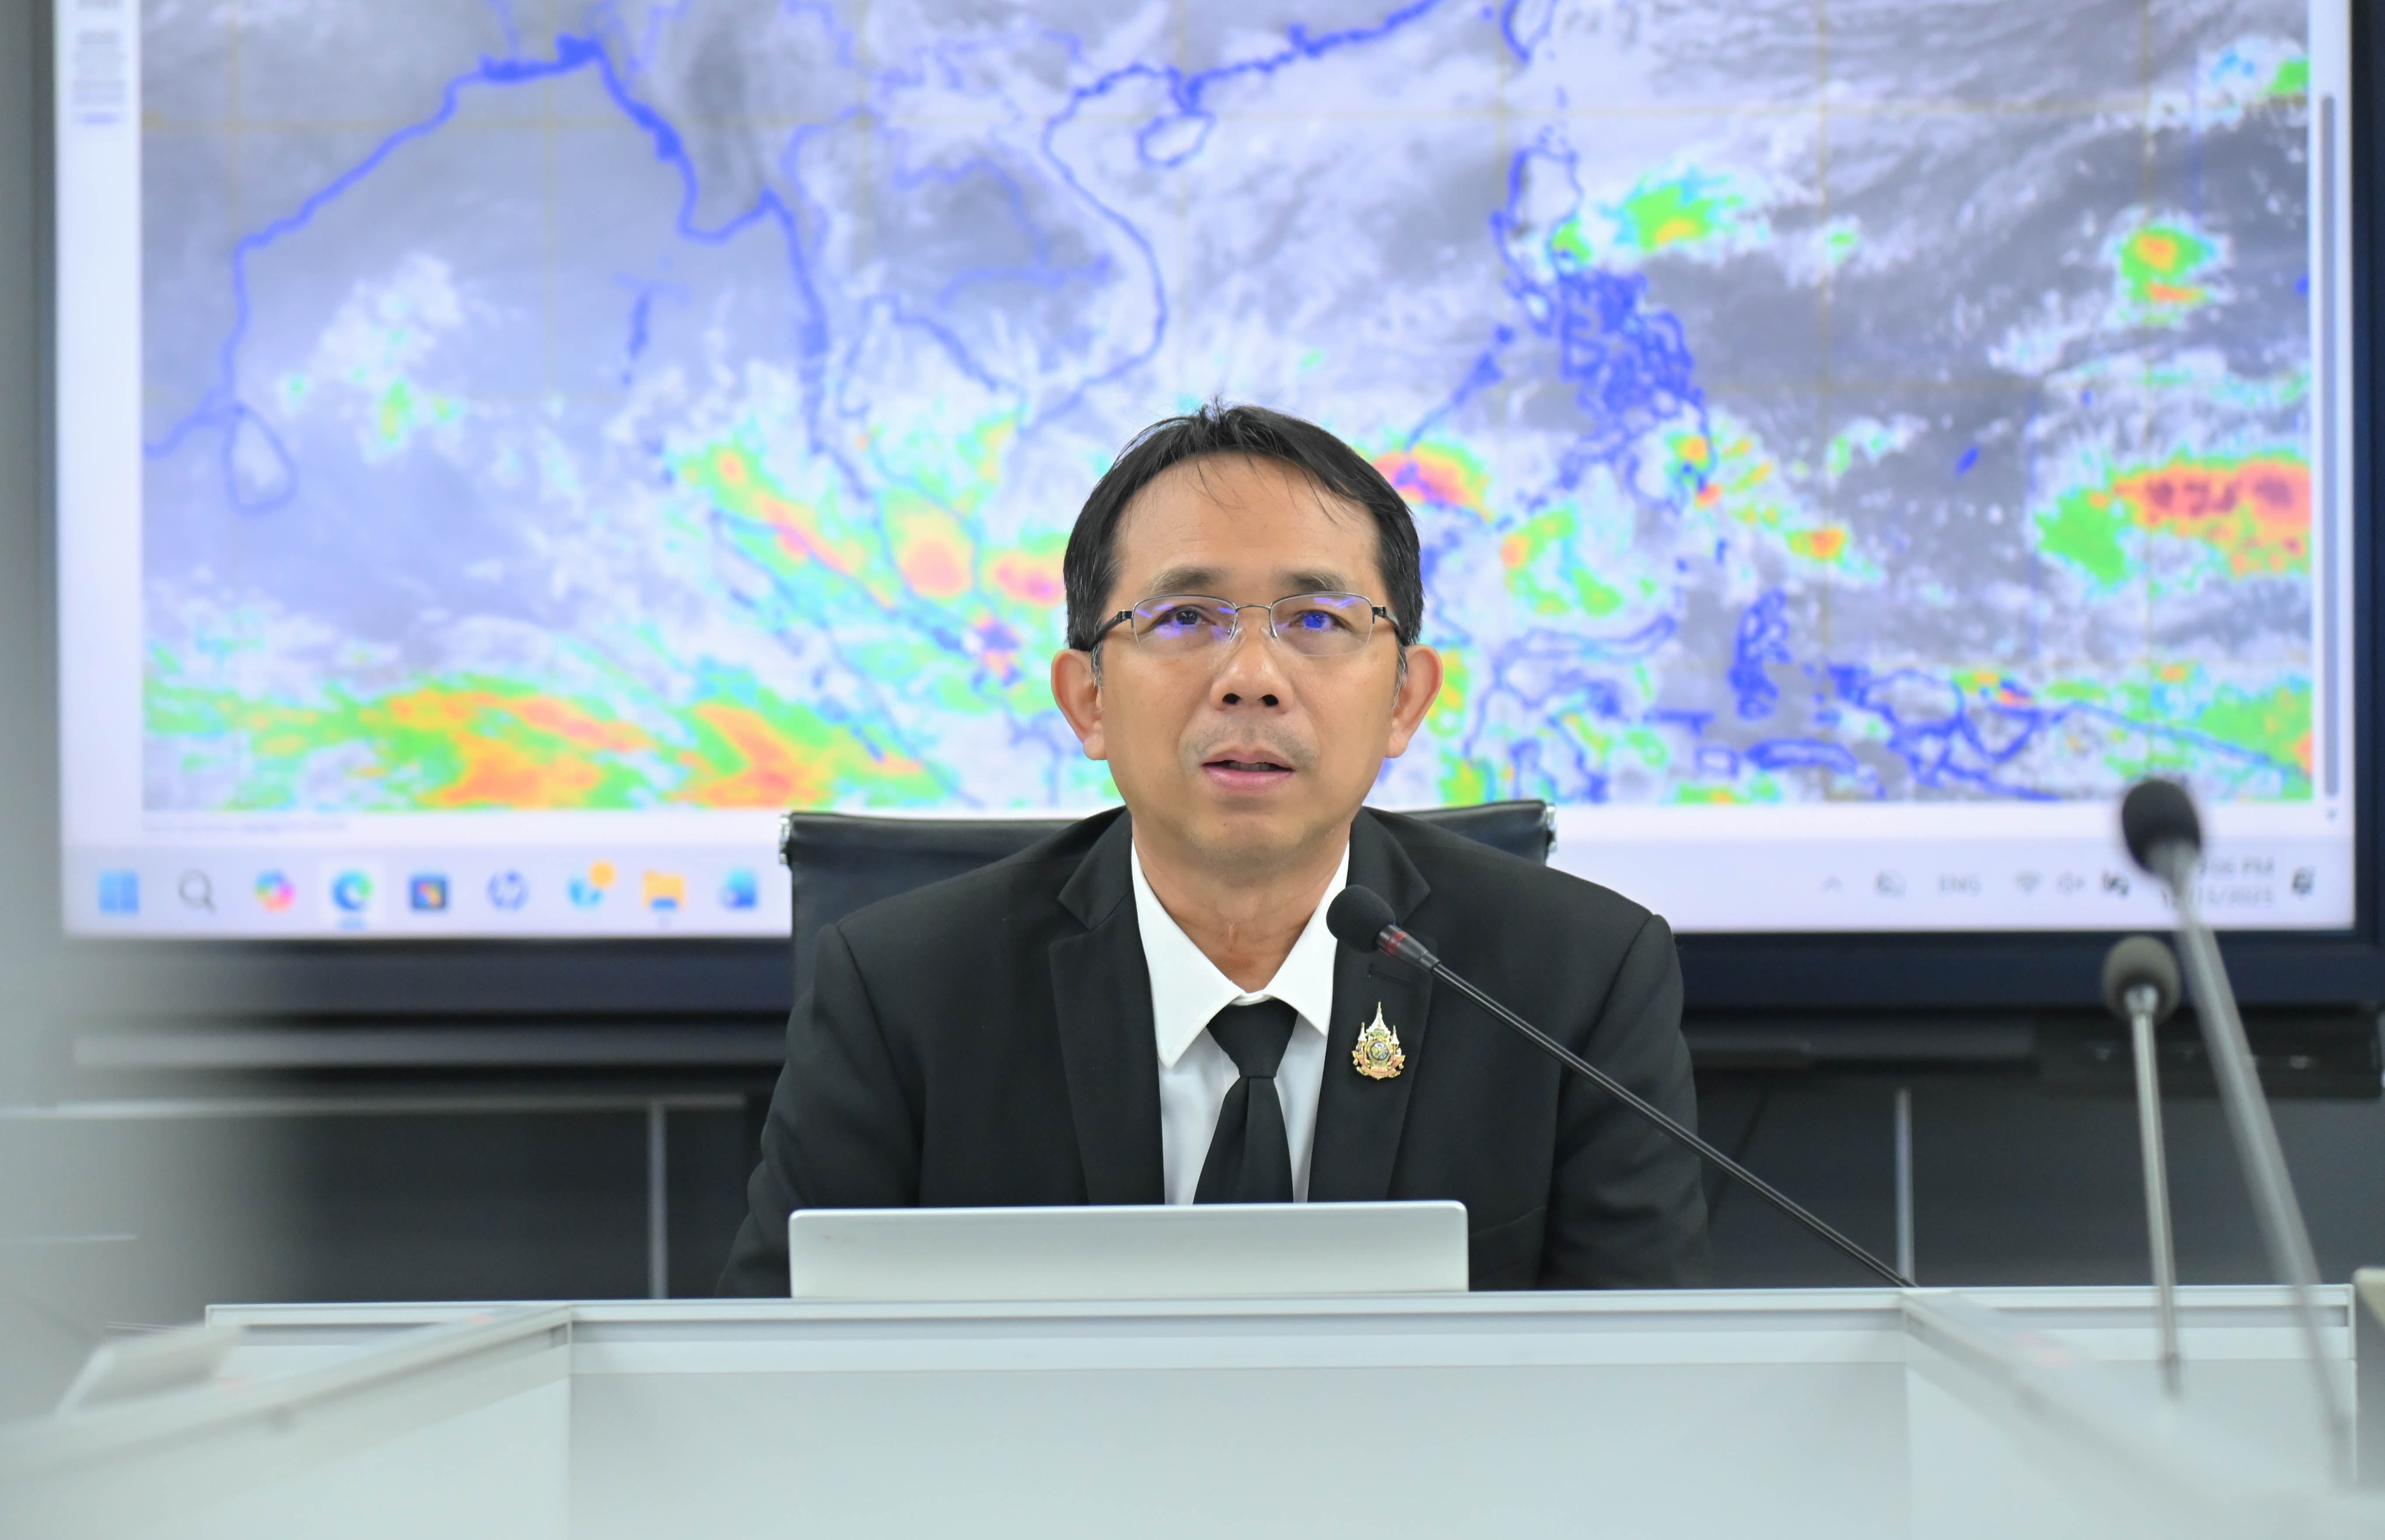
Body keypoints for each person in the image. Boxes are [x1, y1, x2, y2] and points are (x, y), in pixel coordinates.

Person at [719, 402, 1708, 1294]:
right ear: (1088, 699)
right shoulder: (904, 994)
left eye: (1316, 619)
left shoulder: (1574, 987)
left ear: (1404, 700)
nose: (1251, 677)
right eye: (1185, 618)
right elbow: (771, 1382)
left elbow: (1645, 1387)